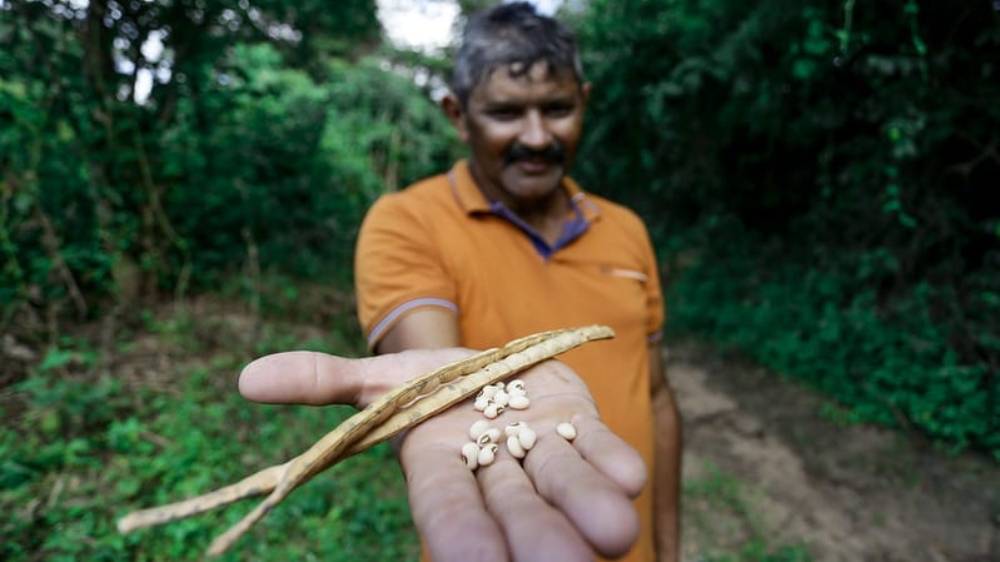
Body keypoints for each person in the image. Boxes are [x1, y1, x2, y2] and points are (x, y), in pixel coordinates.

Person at [238, 3, 681, 561]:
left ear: (584, 103)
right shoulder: (407, 221)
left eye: (558, 108)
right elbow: (435, 357)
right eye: (506, 113)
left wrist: (669, 548)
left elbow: (659, 398)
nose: (539, 136)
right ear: (457, 114)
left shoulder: (626, 231)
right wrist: (447, 389)